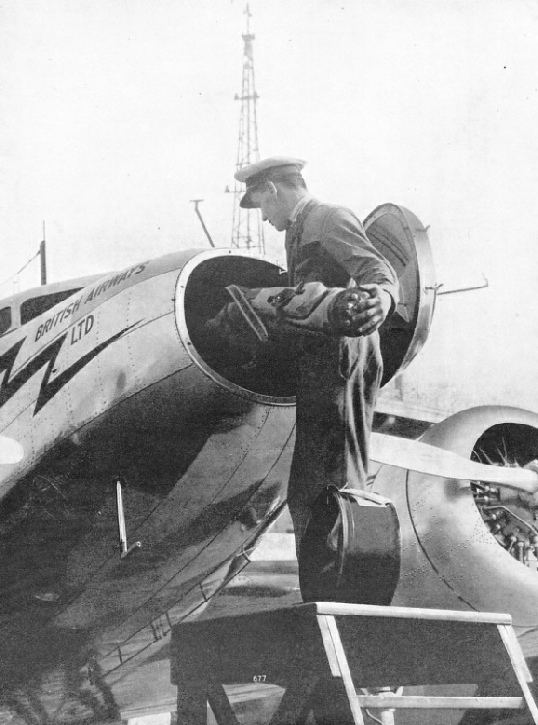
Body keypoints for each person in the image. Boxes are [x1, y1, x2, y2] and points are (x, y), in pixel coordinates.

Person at [215, 157, 400, 552]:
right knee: (311, 487)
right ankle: (327, 586)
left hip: (342, 354)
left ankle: (349, 583)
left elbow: (378, 272)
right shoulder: (300, 227)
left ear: (272, 190)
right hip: (322, 359)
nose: (264, 217)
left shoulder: (329, 218)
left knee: (338, 480)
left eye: (261, 205)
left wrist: (382, 298)